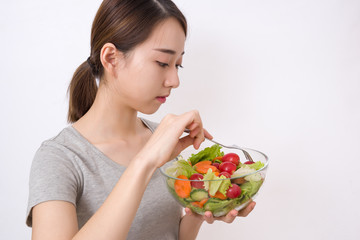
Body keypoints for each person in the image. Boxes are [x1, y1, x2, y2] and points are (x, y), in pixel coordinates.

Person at [26, 0, 256, 239]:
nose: (175, 80)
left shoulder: (164, 140)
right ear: (111, 58)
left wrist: (200, 210)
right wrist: (145, 161)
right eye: (163, 63)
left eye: (178, 65)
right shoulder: (59, 158)